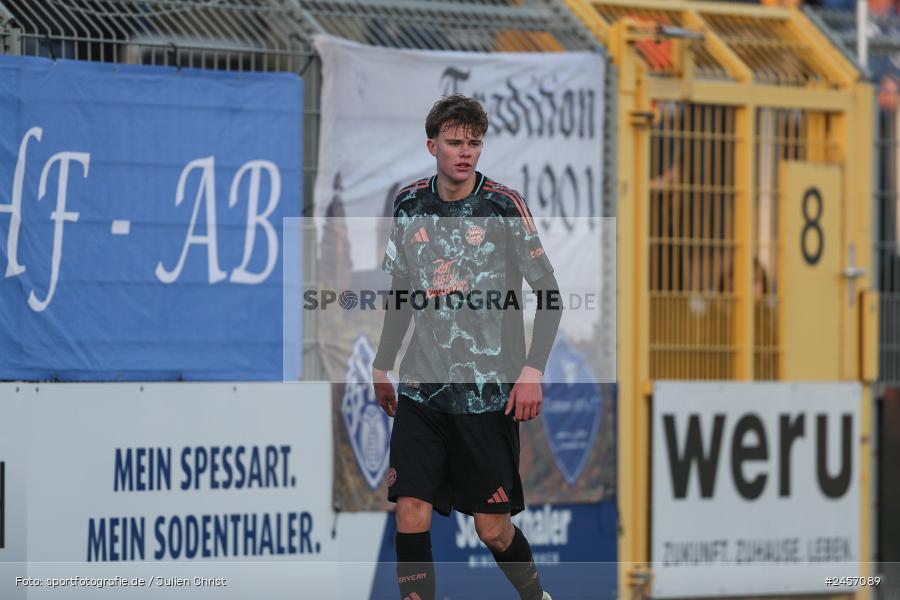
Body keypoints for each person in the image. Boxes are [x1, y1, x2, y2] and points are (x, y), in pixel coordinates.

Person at [371, 94, 562, 600]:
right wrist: (381, 364)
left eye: (474, 143)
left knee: (491, 528)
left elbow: (551, 297)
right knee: (410, 510)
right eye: (454, 142)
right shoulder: (409, 204)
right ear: (432, 144)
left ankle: (536, 596)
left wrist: (532, 370)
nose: (465, 152)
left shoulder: (504, 206)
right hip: (422, 390)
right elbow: (402, 294)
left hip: (486, 395)